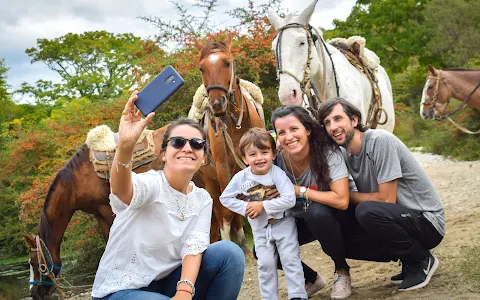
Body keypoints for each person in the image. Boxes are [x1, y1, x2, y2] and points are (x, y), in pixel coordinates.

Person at [91, 91, 245, 300]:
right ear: (163, 154)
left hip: (167, 284)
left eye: (197, 144)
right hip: (121, 290)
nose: (187, 148)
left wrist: (184, 291)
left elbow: (194, 246)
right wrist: (126, 147)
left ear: (203, 158)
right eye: (178, 142)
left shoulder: (201, 199)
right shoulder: (152, 183)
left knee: (230, 254)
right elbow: (122, 190)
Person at [317, 97, 445, 291]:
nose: (333, 127)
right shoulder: (345, 154)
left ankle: (421, 259)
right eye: (327, 123)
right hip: (401, 219)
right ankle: (408, 258)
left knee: (367, 211)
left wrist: (345, 196)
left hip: (427, 221)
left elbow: (387, 199)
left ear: (354, 120)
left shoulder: (380, 141)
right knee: (338, 236)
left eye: (338, 119)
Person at [268, 105, 355, 299]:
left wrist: (299, 190)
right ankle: (312, 279)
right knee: (265, 246)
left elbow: (341, 200)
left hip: (333, 215)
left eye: (293, 129)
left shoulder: (328, 152)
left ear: (307, 129)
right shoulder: (277, 160)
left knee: (316, 213)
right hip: (298, 217)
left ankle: (342, 272)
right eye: (281, 132)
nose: (288, 137)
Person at [220, 128, 307, 300]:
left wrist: (263, 206)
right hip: (260, 228)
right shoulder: (240, 178)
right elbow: (225, 198)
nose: (259, 158)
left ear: (273, 154)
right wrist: (245, 208)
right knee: (265, 264)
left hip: (283, 223)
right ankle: (269, 297)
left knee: (290, 259)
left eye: (264, 152)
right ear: (244, 158)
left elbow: (289, 199)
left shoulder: (277, 174)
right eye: (253, 154)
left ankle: (297, 295)